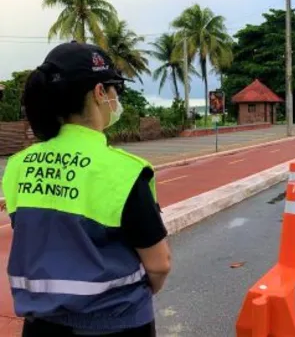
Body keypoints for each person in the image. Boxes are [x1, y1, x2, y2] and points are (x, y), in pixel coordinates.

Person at [1, 41, 171, 337]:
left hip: (40, 327)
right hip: (117, 325)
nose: (117, 98)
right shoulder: (125, 170)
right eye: (114, 88)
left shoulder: (18, 166)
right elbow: (159, 264)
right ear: (99, 93)